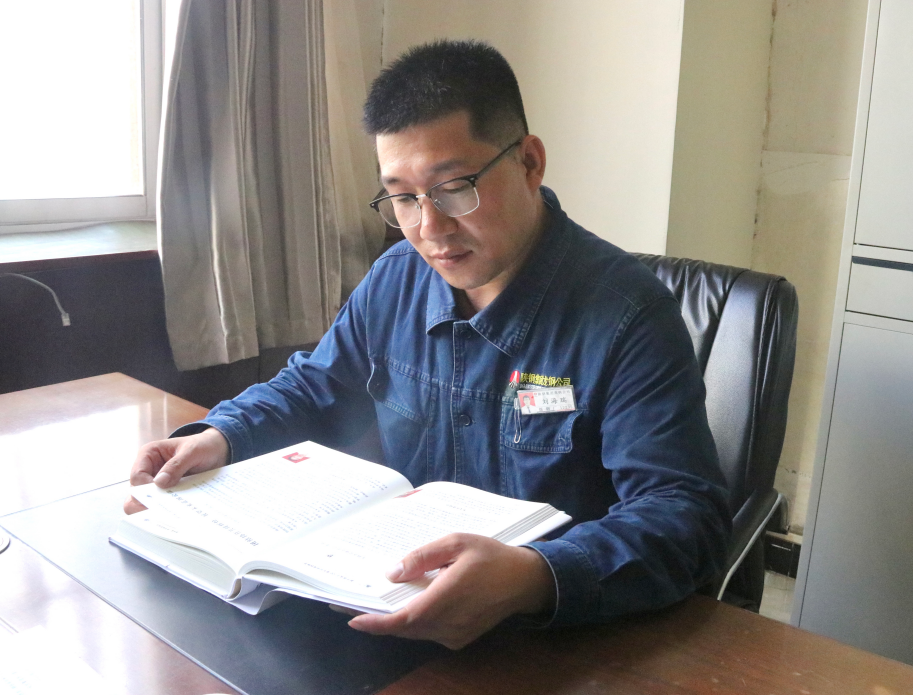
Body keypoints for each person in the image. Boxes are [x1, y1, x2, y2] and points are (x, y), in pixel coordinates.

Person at [125, 40, 731, 649]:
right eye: (403, 197)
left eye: (455, 187)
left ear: (530, 162)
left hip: (556, 643)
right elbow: (314, 385)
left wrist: (534, 578)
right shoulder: (397, 278)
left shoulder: (627, 316)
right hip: (386, 608)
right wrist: (221, 435)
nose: (429, 228)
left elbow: (684, 515)